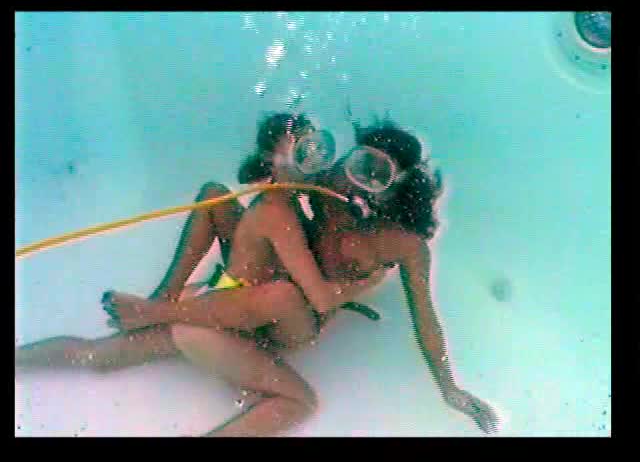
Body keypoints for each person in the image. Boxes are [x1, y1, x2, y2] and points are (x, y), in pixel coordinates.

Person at [104, 118, 500, 436]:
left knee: (282, 295)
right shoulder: (330, 184)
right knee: (214, 196)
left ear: (395, 190)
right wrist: (280, 160)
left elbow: (425, 317)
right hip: (275, 279)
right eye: (358, 163)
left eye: (374, 174)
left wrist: (449, 387)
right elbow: (267, 182)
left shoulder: (403, 244)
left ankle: (162, 315)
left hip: (296, 319)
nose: (354, 180)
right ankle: (162, 300)